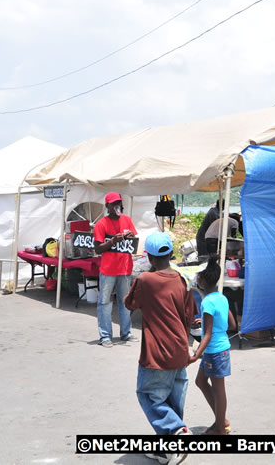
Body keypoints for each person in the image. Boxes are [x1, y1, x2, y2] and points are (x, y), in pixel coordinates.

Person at [124, 232, 197, 462]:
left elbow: (129, 304)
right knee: (173, 400)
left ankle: (178, 431)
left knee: (148, 395)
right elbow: (190, 317)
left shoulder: (145, 280)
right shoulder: (183, 280)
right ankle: (167, 449)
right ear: (171, 254)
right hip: (180, 349)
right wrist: (189, 349)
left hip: (157, 352)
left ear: (150, 258)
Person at [189, 255, 237, 436]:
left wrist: (195, 355)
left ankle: (220, 428)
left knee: (218, 388)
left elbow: (208, 335)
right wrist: (206, 321)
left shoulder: (207, 302)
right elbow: (232, 324)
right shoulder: (221, 298)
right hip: (219, 349)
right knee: (201, 381)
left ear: (202, 279)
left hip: (214, 351)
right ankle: (220, 421)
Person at [93, 192, 138, 347]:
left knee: (125, 302)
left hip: (125, 268)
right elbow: (97, 249)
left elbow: (134, 242)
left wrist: (131, 236)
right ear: (107, 206)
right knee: (105, 303)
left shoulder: (127, 220)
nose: (117, 206)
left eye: (118, 203)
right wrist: (112, 241)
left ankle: (126, 333)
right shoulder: (101, 224)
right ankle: (105, 336)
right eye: (114, 204)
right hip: (108, 270)